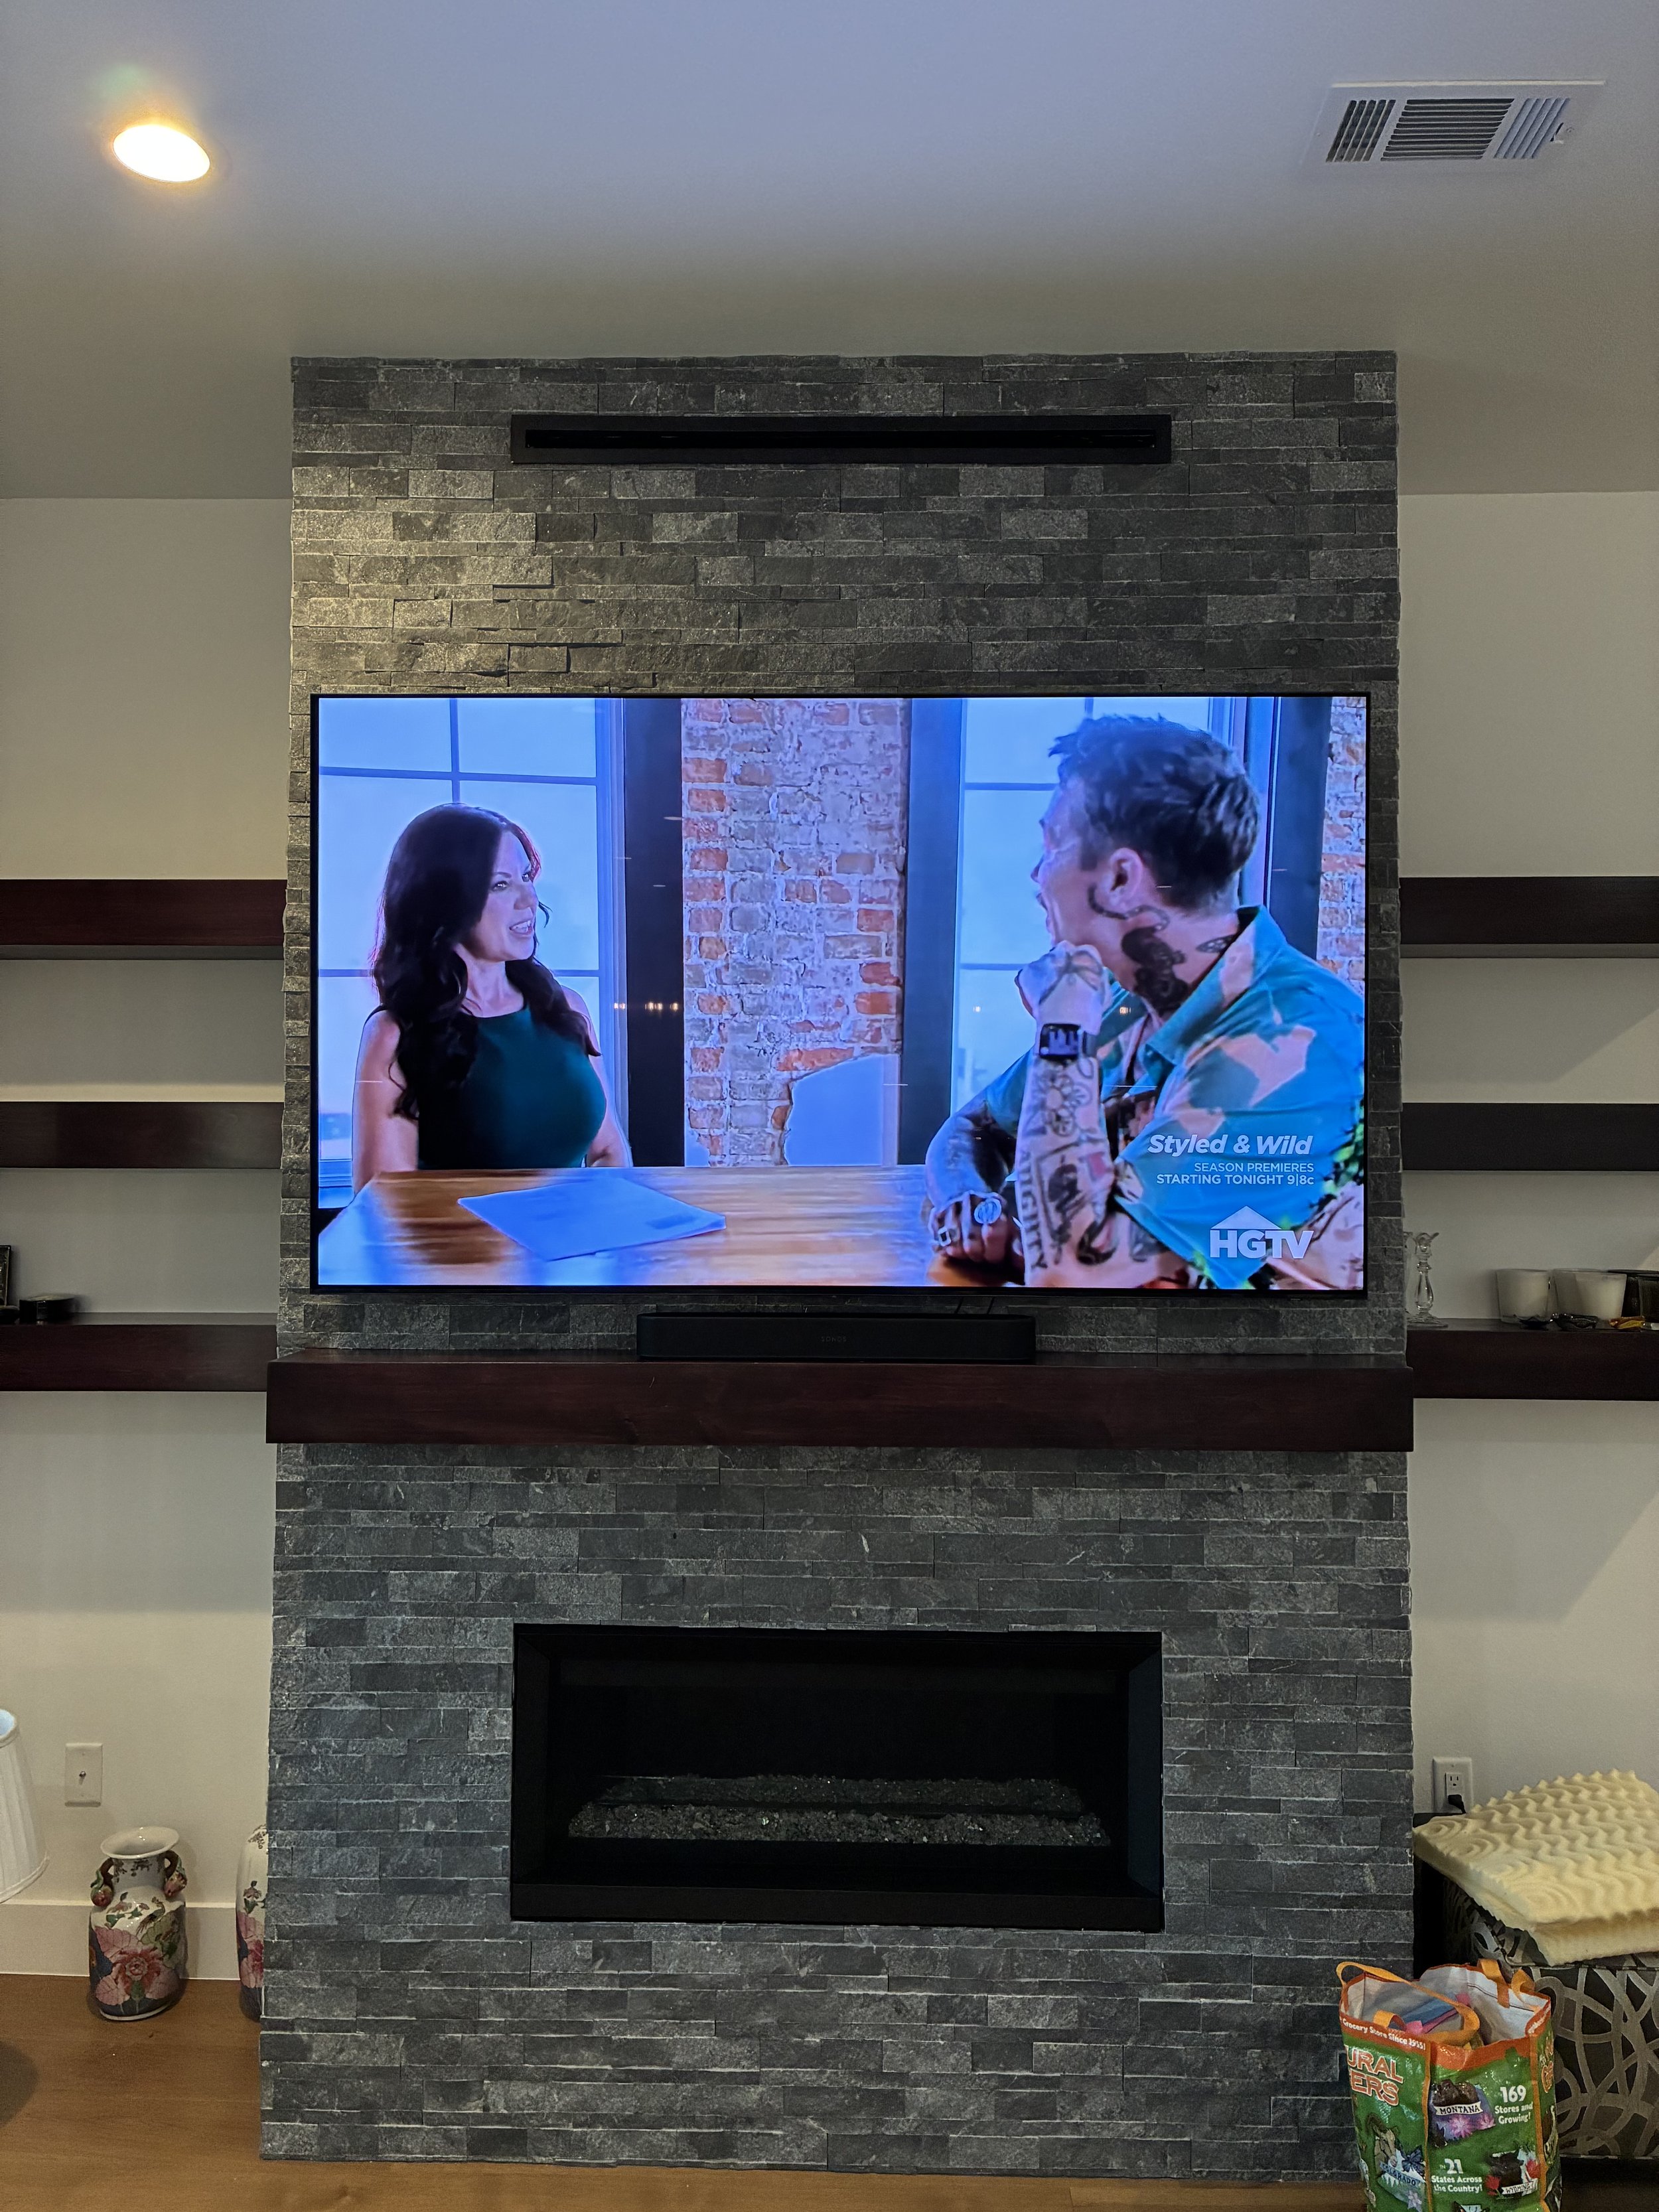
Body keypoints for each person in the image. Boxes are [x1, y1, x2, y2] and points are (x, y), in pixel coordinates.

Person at [925, 715, 1365, 1290]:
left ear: (1119, 879)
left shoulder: (1297, 1041)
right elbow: (975, 1126)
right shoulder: (1127, 1004)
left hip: (1269, 1375)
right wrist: (976, 1205)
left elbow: (1071, 1276)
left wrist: (1061, 1023)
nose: (1037, 874)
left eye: (1053, 844)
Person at [350, 804, 628, 1191]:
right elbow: (386, 1205)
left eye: (526, 877)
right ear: (444, 901)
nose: (528, 899)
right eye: (500, 885)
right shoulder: (394, 1035)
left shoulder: (565, 1009)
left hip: (575, 1248)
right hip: (463, 1250)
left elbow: (609, 1151)